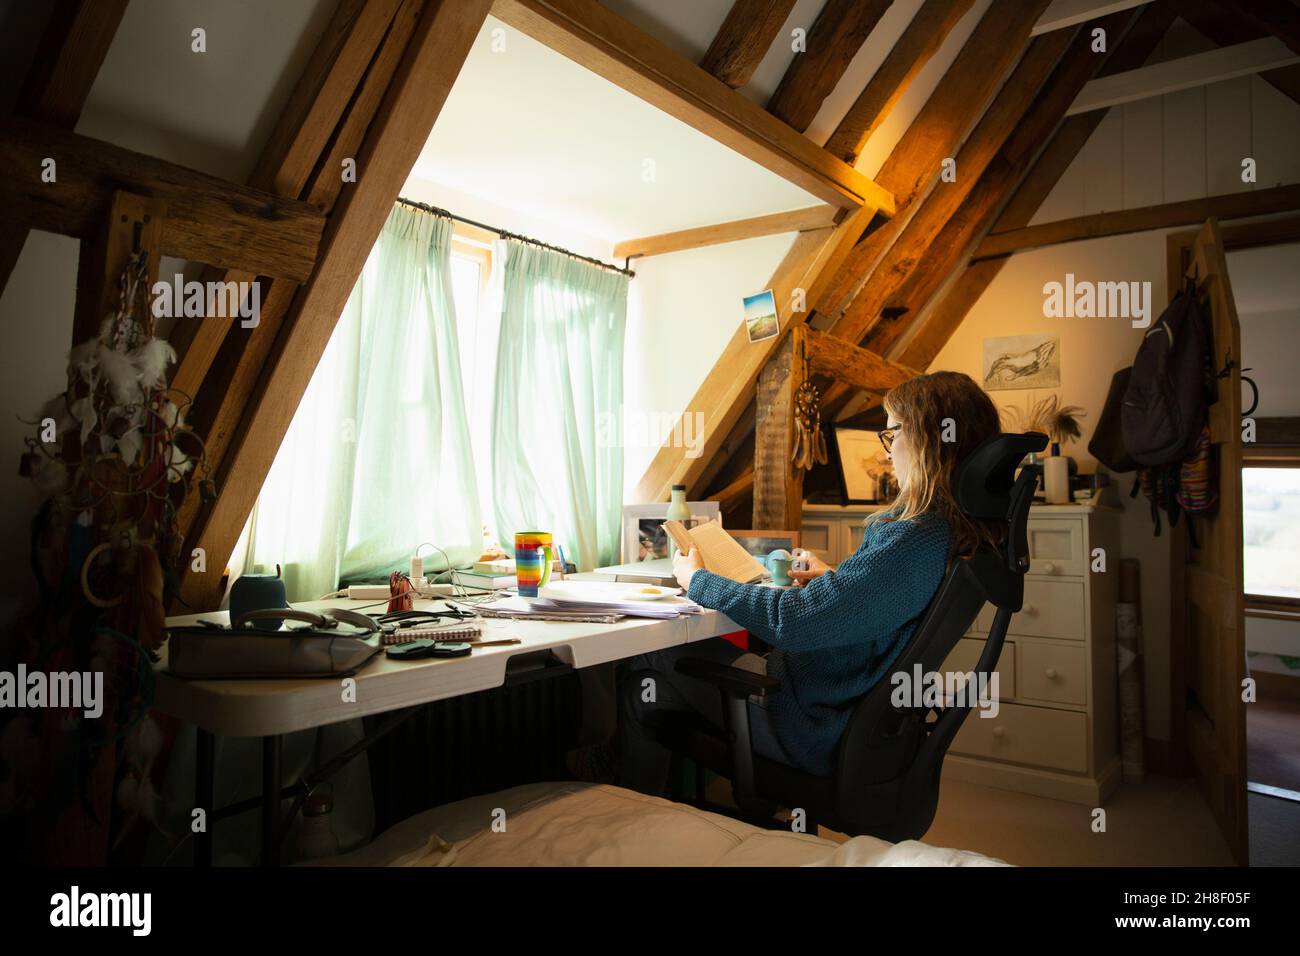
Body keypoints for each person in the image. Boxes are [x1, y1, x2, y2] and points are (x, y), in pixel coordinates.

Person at [614, 371, 1005, 796]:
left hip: (810, 722)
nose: (889, 453)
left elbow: (793, 622)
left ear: (928, 440)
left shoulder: (913, 536)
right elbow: (886, 614)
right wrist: (838, 582)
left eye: (892, 434)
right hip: (844, 718)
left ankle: (627, 812)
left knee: (647, 663)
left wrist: (698, 579)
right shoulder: (950, 533)